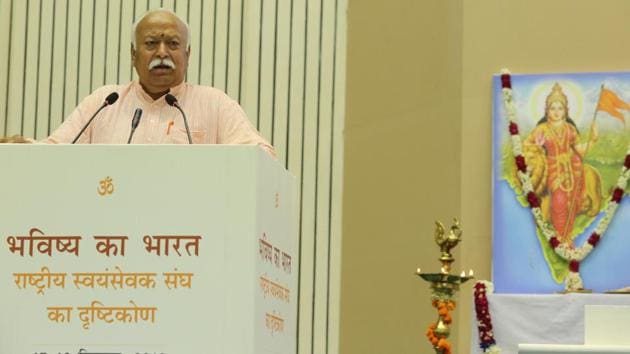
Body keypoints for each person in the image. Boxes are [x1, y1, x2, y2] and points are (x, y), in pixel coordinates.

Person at [39, 9, 275, 156]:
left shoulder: (214, 104)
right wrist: (22, 147)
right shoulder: (105, 102)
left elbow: (261, 154)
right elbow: (55, 151)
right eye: (151, 43)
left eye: (172, 44)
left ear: (187, 55)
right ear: (133, 54)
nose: (162, 53)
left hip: (188, 231)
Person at [524, 83, 601, 243]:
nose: (557, 112)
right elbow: (527, 146)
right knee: (559, 198)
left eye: (560, 108)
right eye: (553, 108)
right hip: (552, 167)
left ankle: (576, 218)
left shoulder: (570, 129)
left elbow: (579, 150)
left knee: (578, 193)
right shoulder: (541, 129)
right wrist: (537, 146)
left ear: (565, 110)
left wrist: (592, 140)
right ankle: (563, 237)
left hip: (572, 165)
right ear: (547, 110)